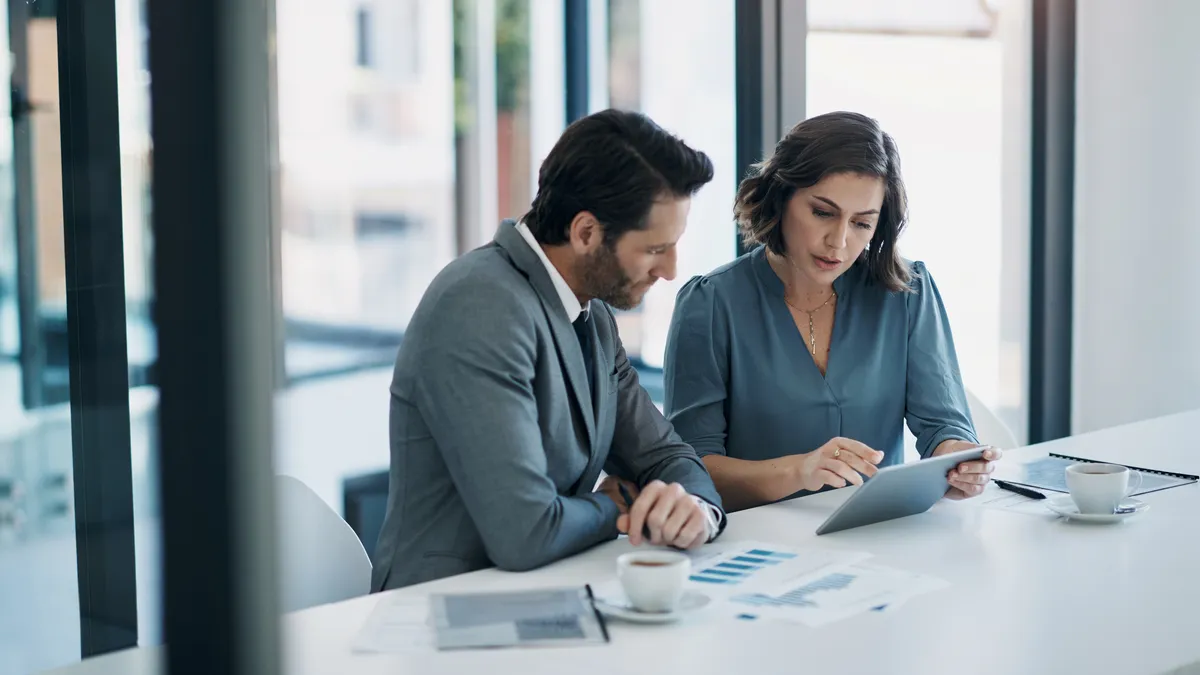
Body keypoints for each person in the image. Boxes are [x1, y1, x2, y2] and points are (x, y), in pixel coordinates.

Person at [371, 109, 727, 591]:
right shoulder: (478, 305)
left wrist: (694, 510)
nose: (670, 270)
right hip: (444, 614)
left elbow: (665, 454)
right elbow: (526, 531)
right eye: (654, 249)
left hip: (550, 595)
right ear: (585, 233)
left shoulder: (592, 314)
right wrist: (619, 507)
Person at [662, 111, 1001, 513]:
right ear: (781, 197)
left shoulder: (907, 293)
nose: (838, 242)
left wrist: (959, 461)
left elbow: (944, 426)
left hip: (876, 535)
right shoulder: (710, 305)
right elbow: (690, 471)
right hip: (756, 545)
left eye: (861, 223)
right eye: (823, 212)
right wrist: (798, 471)